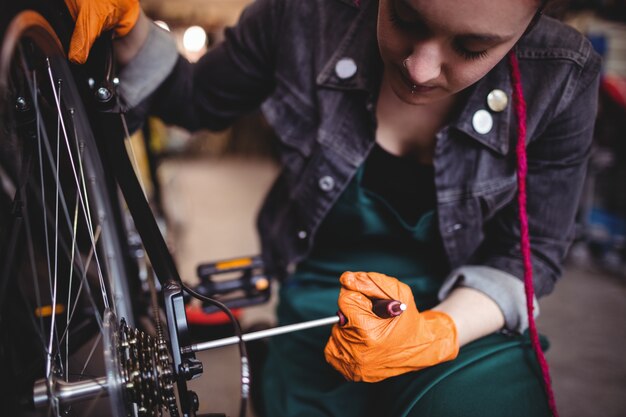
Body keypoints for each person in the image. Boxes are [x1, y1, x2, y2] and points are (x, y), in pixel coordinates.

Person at [64, 0, 601, 415]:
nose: (419, 68)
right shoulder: (303, 16)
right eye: (407, 17)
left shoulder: (561, 76)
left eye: (471, 48)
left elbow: (533, 254)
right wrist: (130, 26)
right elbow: (193, 98)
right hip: (315, 311)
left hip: (462, 317)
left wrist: (433, 334)